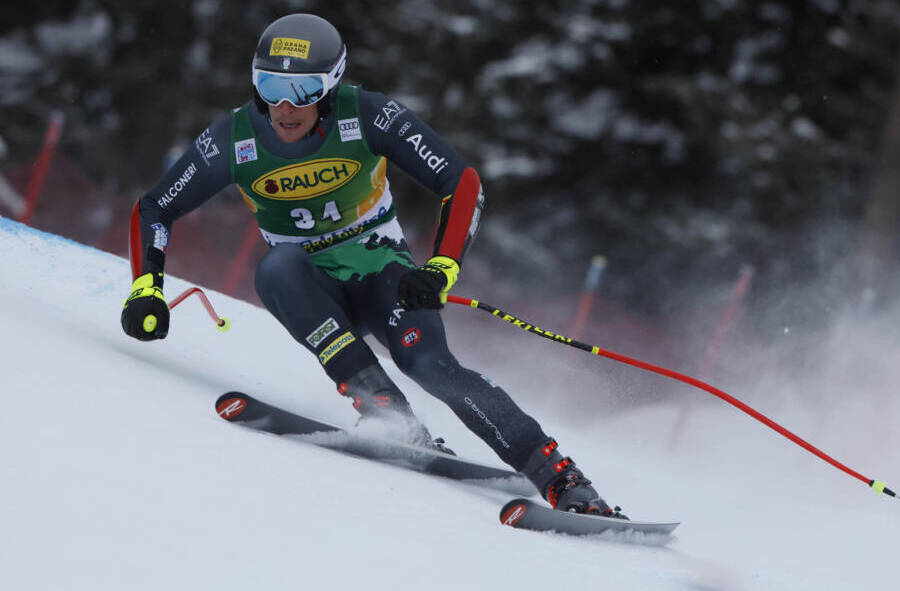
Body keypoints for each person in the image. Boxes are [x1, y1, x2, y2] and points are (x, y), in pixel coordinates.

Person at [120, 13, 623, 517]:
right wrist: (146, 288)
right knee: (277, 269)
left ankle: (563, 481)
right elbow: (154, 208)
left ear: (332, 84)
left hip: (385, 277)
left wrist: (442, 267)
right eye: (271, 85)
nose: (285, 107)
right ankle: (386, 410)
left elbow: (462, 182)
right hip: (313, 289)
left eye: (304, 89)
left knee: (430, 365)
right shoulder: (233, 139)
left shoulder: (368, 116)